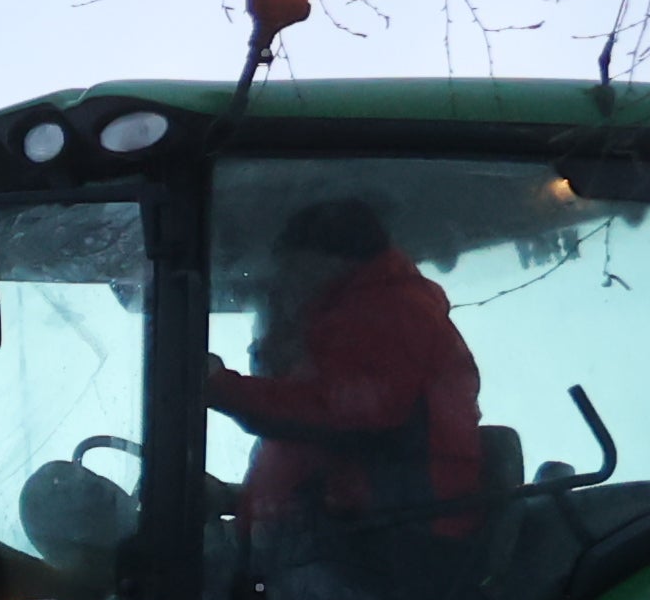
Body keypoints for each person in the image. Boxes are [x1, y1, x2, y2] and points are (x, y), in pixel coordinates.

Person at [206, 194, 483, 539]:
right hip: (348, 530)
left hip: (394, 542)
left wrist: (219, 386)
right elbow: (325, 454)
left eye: (294, 268)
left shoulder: (388, 316)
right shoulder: (351, 321)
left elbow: (332, 416)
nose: (289, 283)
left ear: (329, 260)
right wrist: (235, 500)